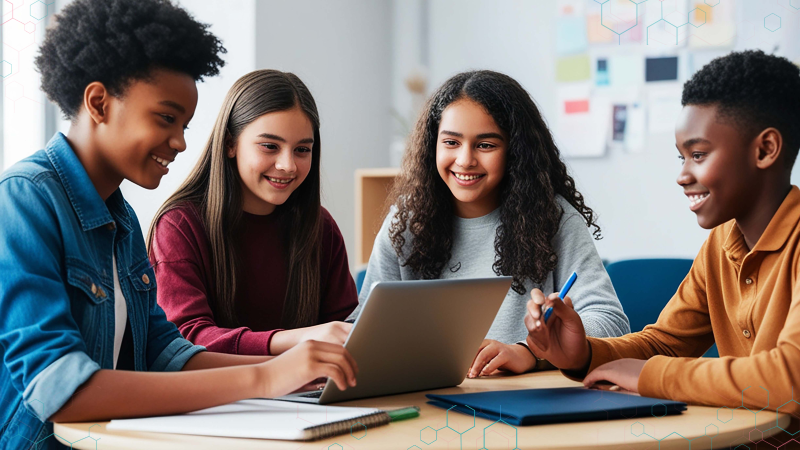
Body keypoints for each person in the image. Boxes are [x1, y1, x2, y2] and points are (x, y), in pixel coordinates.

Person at [0, 1, 355, 448]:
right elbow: (60, 390)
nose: (182, 142)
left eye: (185, 124)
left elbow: (164, 354)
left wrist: (298, 369)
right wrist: (266, 375)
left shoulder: (120, 217)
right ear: (98, 102)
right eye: (167, 119)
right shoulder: (24, 197)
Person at [525, 50, 800, 415]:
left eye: (698, 155)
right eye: (680, 157)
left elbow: (790, 379)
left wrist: (651, 376)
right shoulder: (720, 245)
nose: (683, 175)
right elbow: (666, 343)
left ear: (765, 149)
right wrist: (584, 353)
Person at [348, 70, 629, 378]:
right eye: (451, 142)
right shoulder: (405, 223)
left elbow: (610, 322)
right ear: (433, 147)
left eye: (485, 145)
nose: (465, 160)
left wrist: (530, 352)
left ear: (515, 152)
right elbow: (362, 332)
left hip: (521, 408)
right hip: (429, 405)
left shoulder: (554, 219)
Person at [149, 70, 357, 356]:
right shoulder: (179, 225)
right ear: (230, 143)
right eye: (270, 146)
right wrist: (298, 340)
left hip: (307, 396)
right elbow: (187, 338)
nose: (288, 165)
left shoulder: (320, 227)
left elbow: (344, 328)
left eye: (302, 150)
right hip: (217, 398)